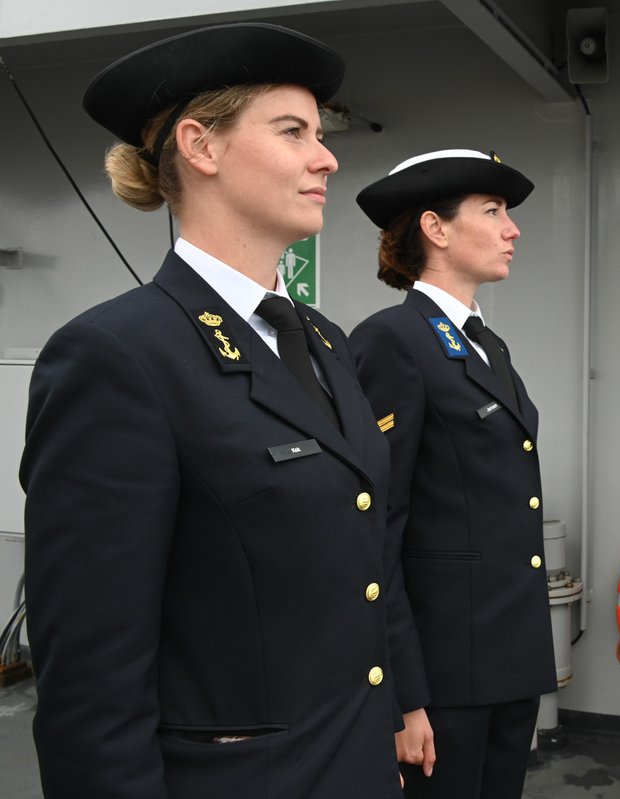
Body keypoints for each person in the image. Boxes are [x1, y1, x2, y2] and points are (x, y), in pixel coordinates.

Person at [20, 23, 410, 799]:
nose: (327, 156)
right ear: (201, 147)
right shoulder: (117, 356)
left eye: (320, 133)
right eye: (293, 131)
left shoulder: (322, 342)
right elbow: (92, 684)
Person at [351, 150, 557, 799]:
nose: (512, 228)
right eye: (493, 211)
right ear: (436, 229)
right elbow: (376, 529)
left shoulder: (483, 342)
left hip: (507, 661)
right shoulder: (392, 340)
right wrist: (402, 697)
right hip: (443, 680)